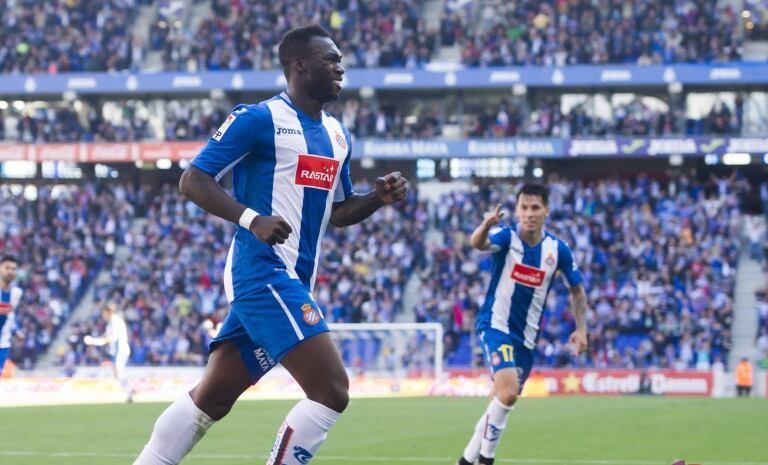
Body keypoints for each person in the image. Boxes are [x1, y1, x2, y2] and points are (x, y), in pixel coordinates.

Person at [132, 24, 408, 465]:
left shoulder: (338, 135)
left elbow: (338, 213)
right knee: (332, 390)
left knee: (213, 397)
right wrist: (251, 219)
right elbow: (193, 179)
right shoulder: (258, 119)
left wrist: (377, 198)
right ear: (299, 66)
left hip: (293, 279)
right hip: (262, 272)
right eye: (331, 60)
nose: (341, 68)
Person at [455, 183, 589, 465]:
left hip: (526, 340)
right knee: (508, 394)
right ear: (516, 210)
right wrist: (486, 225)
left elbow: (577, 290)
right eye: (524, 207)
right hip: (496, 326)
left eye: (535, 207)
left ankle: (465, 462)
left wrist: (581, 329)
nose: (529, 213)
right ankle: (486, 460)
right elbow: (478, 244)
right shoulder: (507, 237)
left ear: (546, 210)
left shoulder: (558, 250)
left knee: (497, 403)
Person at [84, 302, 133, 401]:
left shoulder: (116, 321)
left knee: (119, 372)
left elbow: (112, 338)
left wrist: (94, 341)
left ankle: (129, 392)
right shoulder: (111, 323)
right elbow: (106, 336)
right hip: (115, 351)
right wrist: (94, 340)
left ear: (109, 312)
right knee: (117, 373)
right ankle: (128, 391)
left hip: (121, 350)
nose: (103, 316)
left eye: (104, 313)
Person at [0, 255, 22, 377]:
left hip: (3, 344)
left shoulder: (17, 293)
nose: (10, 271)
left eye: (13, 269)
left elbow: (11, 316)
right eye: (7, 268)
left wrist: (16, 330)